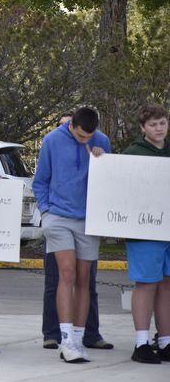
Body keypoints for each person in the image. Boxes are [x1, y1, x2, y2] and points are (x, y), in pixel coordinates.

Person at [33, 106, 111, 363]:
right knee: (65, 274)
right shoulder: (52, 140)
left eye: (89, 136)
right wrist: (45, 212)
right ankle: (66, 339)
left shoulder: (102, 142)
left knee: (83, 278)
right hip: (58, 217)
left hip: (89, 220)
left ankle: (78, 339)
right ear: (72, 125)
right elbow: (40, 180)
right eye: (80, 136)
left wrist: (101, 162)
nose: (85, 140)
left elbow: (109, 182)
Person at [121, 103, 170, 363]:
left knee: (167, 284)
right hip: (144, 230)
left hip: (169, 229)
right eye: (153, 124)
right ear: (143, 128)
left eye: (162, 122)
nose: (159, 128)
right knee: (147, 284)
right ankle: (141, 342)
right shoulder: (132, 154)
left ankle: (165, 340)